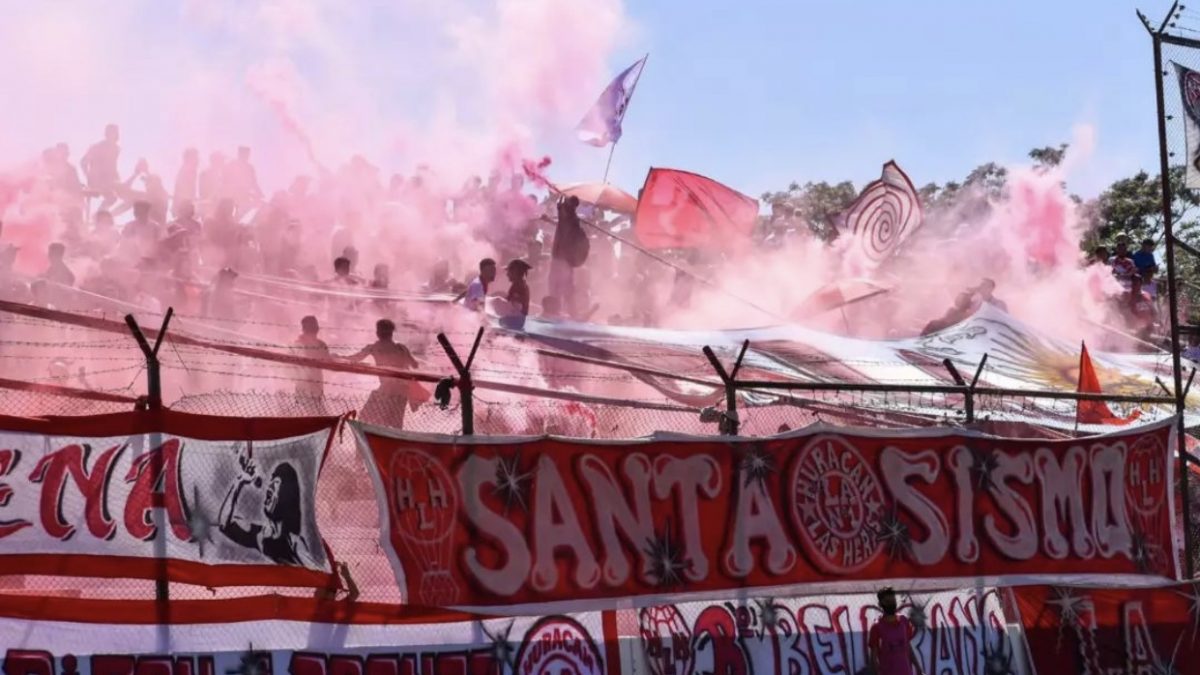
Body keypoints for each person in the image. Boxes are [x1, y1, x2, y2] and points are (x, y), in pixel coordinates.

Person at [218, 453, 310, 566]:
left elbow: (313, 571)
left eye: (275, 484)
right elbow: (224, 524)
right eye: (271, 483)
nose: (269, 487)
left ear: (286, 497)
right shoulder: (261, 537)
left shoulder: (295, 543)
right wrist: (239, 480)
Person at [345, 319, 420, 429]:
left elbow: (355, 358)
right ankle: (393, 443)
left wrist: (336, 357)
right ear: (391, 333)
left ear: (378, 332)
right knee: (396, 424)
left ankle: (375, 441)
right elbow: (415, 365)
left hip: (387, 389)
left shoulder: (374, 347)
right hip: (403, 390)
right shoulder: (401, 348)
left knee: (366, 417)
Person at [868, 588, 923, 675]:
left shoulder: (903, 621)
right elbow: (873, 658)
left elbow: (908, 646)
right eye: (887, 601)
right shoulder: (877, 627)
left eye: (893, 600)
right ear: (880, 604)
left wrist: (918, 667)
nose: (891, 604)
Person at [81, 124, 120, 209]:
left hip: (109, 180)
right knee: (112, 197)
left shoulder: (116, 149)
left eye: (114, 132)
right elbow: (83, 162)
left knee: (123, 191)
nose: (112, 135)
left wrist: (117, 178)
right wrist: (88, 176)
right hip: (97, 180)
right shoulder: (97, 147)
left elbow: (113, 166)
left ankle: (100, 214)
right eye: (110, 132)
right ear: (106, 133)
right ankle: (99, 215)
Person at [293, 315, 331, 401]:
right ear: (317, 329)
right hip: (311, 386)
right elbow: (328, 360)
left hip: (306, 385)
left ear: (303, 329)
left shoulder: (298, 343)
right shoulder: (320, 345)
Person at [173, 148, 200, 213]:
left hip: (186, 206)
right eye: (195, 157)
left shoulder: (191, 171)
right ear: (189, 159)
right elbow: (182, 192)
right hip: (184, 207)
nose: (198, 160)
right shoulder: (186, 171)